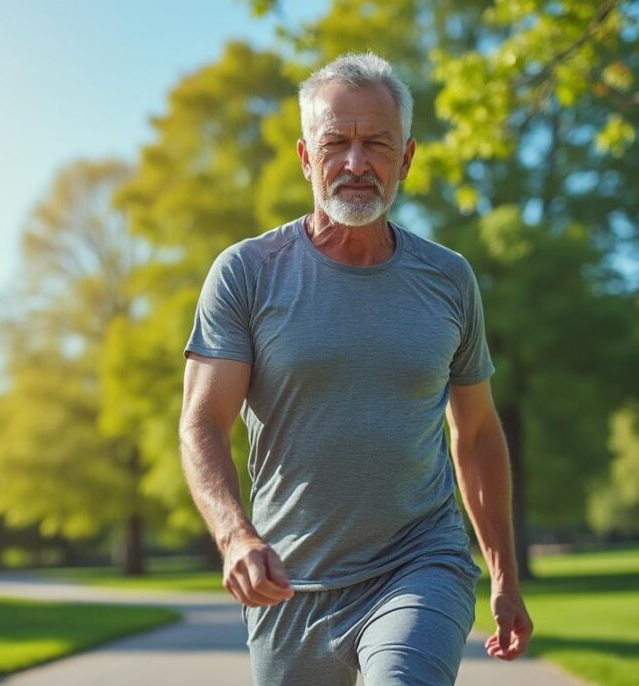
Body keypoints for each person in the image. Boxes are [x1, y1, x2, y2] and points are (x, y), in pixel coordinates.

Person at [178, 51, 533, 686]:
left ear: (407, 158)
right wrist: (235, 537)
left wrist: (504, 575)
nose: (355, 163)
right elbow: (202, 423)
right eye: (335, 143)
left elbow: (477, 433)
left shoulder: (448, 279)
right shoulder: (248, 273)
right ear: (305, 158)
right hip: (289, 585)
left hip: (420, 562)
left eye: (376, 144)